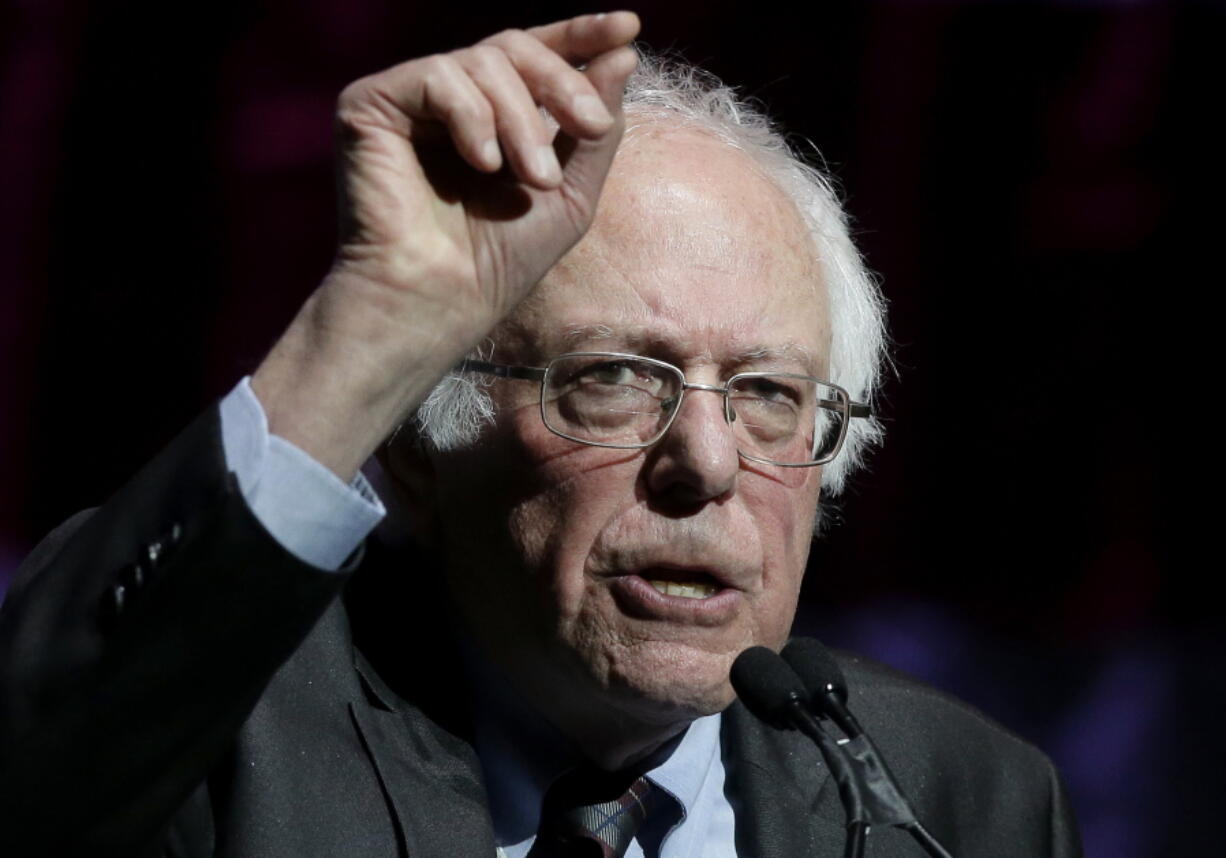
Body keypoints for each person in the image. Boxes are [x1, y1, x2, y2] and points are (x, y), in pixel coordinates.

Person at [0, 11, 1081, 857]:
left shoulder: (958, 798)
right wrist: (373, 324)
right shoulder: (232, 734)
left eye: (764, 394)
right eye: (613, 378)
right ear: (422, 455)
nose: (704, 463)